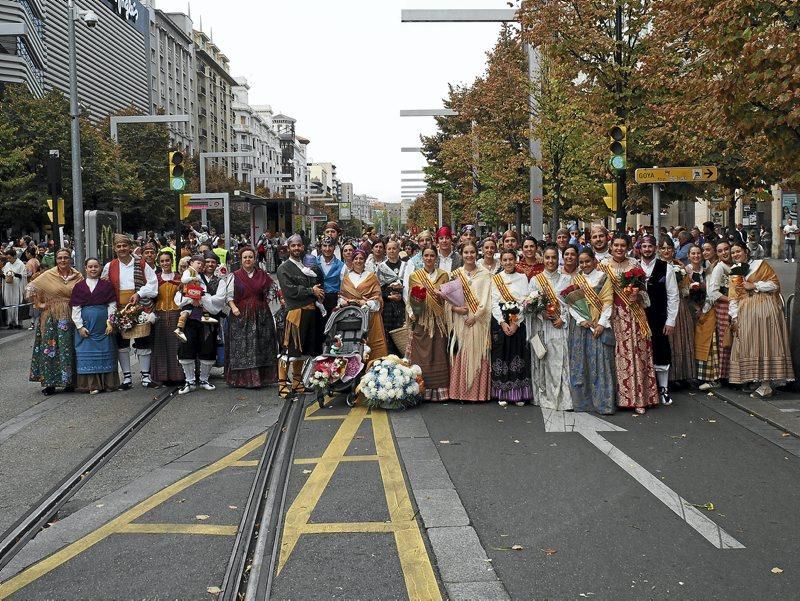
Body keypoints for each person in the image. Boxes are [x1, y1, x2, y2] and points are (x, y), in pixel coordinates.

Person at [600, 234, 659, 414]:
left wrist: (637, 295)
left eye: (622, 245)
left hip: (634, 314)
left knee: (637, 353)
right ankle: (617, 398)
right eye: (616, 245)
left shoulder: (634, 264)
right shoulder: (603, 266)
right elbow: (598, 292)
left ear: (628, 247)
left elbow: (644, 292)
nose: (619, 248)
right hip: (613, 315)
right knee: (616, 355)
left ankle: (640, 398)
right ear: (611, 246)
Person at [728, 242, 794, 398]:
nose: (735, 254)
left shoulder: (760, 265)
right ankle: (757, 380)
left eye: (738, 251)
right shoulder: (734, 271)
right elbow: (733, 296)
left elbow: (774, 284)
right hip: (746, 311)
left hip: (765, 308)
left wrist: (754, 285)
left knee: (765, 343)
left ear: (746, 251)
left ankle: (766, 385)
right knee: (751, 345)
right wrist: (735, 316)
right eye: (733, 253)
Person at [102, 234, 158, 389]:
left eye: (124, 246)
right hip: (119, 308)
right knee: (122, 344)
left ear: (130, 247)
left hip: (140, 307)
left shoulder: (141, 264)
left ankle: (145, 376)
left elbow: (153, 283)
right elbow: (106, 288)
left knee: (143, 341)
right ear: (114, 248)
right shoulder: (110, 266)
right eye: (119, 246)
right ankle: (127, 377)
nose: (122, 249)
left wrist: (138, 294)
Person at [28, 248, 83, 395]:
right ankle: (50, 383)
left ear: (70, 259)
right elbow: (31, 287)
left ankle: (69, 382)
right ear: (56, 260)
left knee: (68, 348)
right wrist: (39, 304)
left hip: (71, 316)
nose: (63, 260)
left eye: (66, 257)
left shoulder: (78, 276)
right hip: (51, 317)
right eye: (60, 258)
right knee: (50, 349)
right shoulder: (48, 274)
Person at [276, 235, 325, 397]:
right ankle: (282, 385)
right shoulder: (284, 268)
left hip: (311, 313)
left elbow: (316, 286)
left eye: (299, 245)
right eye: (293, 246)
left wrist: (316, 292)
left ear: (303, 247)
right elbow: (291, 291)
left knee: (302, 351)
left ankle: (297, 383)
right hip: (295, 313)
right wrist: (312, 291)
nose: (296, 248)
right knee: (289, 350)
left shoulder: (307, 265)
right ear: (288, 248)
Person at [568, 248, 615, 414]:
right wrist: (582, 320)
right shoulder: (576, 279)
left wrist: (601, 323)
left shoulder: (604, 278)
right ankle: (583, 404)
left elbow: (608, 302)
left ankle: (603, 404)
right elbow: (571, 304)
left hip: (599, 327)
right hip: (582, 328)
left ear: (594, 261)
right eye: (581, 262)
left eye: (588, 261)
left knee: (601, 364)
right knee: (582, 364)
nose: (585, 264)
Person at [225, 247, 280, 389]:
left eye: (250, 257)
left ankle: (261, 378)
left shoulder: (262, 274)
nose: (248, 259)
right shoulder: (235, 275)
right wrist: (234, 307)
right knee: (242, 345)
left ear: (255, 259)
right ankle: (242, 379)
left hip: (261, 313)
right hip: (240, 314)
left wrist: (264, 302)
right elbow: (229, 295)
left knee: (261, 344)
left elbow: (273, 288)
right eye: (245, 257)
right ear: (241, 259)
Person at [527, 245, 572, 410]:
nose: (550, 261)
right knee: (544, 362)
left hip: (560, 327)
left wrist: (563, 318)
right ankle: (545, 397)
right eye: (547, 257)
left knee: (560, 362)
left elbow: (572, 305)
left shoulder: (566, 280)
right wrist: (541, 314)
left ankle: (564, 400)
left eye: (553, 258)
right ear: (543, 259)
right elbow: (528, 306)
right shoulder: (535, 280)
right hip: (542, 327)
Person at [448, 243, 492, 402]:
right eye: (466, 252)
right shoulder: (455, 274)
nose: (469, 255)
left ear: (476, 253)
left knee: (478, 353)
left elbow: (487, 300)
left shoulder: (485, 274)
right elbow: (448, 300)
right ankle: (460, 393)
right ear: (461, 254)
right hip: (461, 320)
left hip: (478, 321)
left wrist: (476, 315)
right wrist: (455, 309)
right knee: (463, 353)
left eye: (472, 252)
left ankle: (477, 394)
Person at [174, 255, 225, 394]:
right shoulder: (192, 276)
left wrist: (201, 300)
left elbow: (219, 301)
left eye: (211, 262)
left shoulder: (219, 281)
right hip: (190, 319)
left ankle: (204, 379)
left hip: (208, 319)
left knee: (207, 347)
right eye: (204, 262)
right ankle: (189, 381)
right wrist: (191, 300)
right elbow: (179, 298)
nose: (207, 265)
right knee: (186, 347)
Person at [406, 247, 451, 402]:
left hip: (438, 321)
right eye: (426, 255)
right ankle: (420, 388)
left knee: (438, 353)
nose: (429, 258)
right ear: (422, 258)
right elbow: (410, 299)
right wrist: (414, 311)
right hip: (422, 321)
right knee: (421, 356)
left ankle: (439, 391)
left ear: (436, 258)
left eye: (432, 255)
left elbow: (447, 300)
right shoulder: (414, 276)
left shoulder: (444, 275)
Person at [490, 250, 533, 406]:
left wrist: (516, 321)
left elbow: (525, 301)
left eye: (510, 259)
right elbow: (493, 302)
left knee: (518, 354)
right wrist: (502, 322)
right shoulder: (496, 279)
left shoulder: (522, 278)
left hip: (518, 320)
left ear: (516, 260)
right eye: (505, 260)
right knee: (501, 355)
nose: (508, 262)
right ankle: (502, 392)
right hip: (501, 320)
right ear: (501, 261)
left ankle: (519, 393)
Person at [70, 258, 119, 394]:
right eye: (90, 267)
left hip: (103, 326)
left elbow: (112, 305)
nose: (93, 269)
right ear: (85, 268)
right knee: (87, 354)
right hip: (87, 327)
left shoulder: (106, 286)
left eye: (96, 266)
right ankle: (92, 385)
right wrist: (79, 327)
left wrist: (110, 322)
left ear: (100, 268)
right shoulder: (79, 287)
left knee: (105, 352)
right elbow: (76, 308)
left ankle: (108, 384)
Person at [640, 236, 678, 405]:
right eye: (644, 246)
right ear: (640, 248)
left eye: (650, 246)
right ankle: (643, 389)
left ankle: (663, 389)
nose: (647, 249)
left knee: (661, 351)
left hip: (659, 316)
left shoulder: (666, 267)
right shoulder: (633, 265)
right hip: (639, 316)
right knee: (640, 352)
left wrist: (671, 320)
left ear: (655, 248)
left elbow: (673, 295)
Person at [659, 239, 697, 386]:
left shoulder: (679, 265)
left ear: (673, 250)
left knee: (682, 339)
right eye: (663, 248)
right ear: (659, 250)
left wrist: (685, 280)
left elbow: (687, 287)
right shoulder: (657, 266)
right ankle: (670, 377)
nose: (666, 251)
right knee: (669, 341)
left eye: (669, 248)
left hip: (680, 304)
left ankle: (683, 374)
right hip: (663, 305)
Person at [339, 249, 388, 360]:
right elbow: (341, 297)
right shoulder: (346, 278)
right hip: (352, 317)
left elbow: (378, 301)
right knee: (352, 344)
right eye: (356, 258)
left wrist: (365, 303)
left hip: (370, 316)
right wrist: (344, 303)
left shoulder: (372, 277)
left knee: (371, 346)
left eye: (361, 258)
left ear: (365, 260)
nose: (358, 261)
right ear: (352, 261)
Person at [701, 240, 733, 389]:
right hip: (724, 307)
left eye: (726, 249)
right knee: (724, 341)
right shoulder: (720, 267)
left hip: (735, 306)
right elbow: (713, 292)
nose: (724, 253)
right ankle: (724, 375)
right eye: (720, 251)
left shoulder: (736, 265)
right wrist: (731, 299)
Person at [150, 252, 185, 385]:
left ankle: (178, 375)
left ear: (172, 261)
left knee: (177, 345)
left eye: (167, 260)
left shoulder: (179, 278)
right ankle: (162, 376)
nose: (165, 263)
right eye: (162, 261)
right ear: (159, 263)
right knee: (160, 346)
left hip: (176, 314)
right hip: (160, 315)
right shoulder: (155, 279)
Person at [376, 240, 409, 356]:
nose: (391, 251)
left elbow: (410, 284)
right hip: (388, 306)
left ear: (398, 249)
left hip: (403, 304)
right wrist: (388, 295)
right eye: (389, 249)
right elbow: (378, 288)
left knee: (403, 333)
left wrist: (401, 295)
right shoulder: (381, 267)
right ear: (386, 251)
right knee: (388, 334)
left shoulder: (406, 266)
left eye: (394, 248)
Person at [317, 236, 345, 316]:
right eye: (325, 246)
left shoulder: (341, 265)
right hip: (317, 300)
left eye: (330, 246)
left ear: (334, 248)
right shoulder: (314, 262)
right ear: (321, 247)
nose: (327, 249)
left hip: (334, 300)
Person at [3, 248, 27, 329]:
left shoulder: (20, 264)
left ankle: (18, 322)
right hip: (9, 287)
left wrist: (15, 274)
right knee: (8, 302)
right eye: (7, 258)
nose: (9, 260)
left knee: (17, 302)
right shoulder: (7, 264)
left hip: (17, 287)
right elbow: (4, 274)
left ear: (14, 256)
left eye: (10, 258)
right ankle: (10, 322)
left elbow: (23, 275)